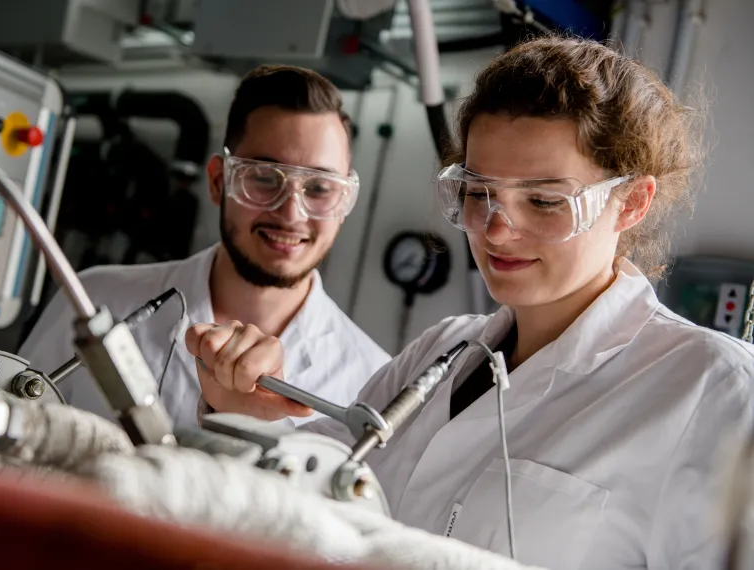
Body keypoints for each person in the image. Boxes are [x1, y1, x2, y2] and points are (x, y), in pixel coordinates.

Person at [184, 36, 754, 569]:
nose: (496, 230)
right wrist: (244, 413)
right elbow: (315, 506)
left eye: (543, 201)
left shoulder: (712, 389)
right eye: (480, 193)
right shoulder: (441, 350)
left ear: (631, 203)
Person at [19, 64, 391, 428]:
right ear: (217, 181)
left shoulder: (371, 380)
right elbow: (3, 442)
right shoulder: (97, 299)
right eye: (263, 177)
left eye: (320, 188)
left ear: (344, 201)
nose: (291, 213)